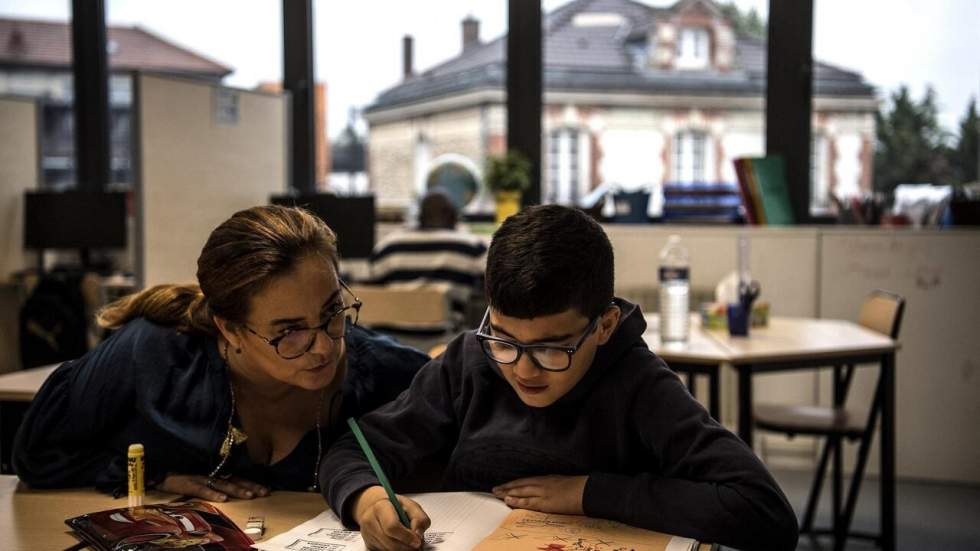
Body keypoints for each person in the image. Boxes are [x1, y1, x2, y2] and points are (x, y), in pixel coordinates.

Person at [321, 205, 799, 551]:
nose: (522, 369)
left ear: (605, 326)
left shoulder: (639, 385)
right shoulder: (471, 360)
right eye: (505, 339)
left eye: (552, 348)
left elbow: (764, 511)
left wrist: (589, 493)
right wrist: (367, 501)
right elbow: (353, 448)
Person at [13, 205, 429, 501]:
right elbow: (38, 455)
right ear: (228, 328)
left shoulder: (383, 371)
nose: (324, 346)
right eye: (289, 332)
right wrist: (158, 475)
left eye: (332, 312)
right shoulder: (154, 353)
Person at [369, 191, 487, 329]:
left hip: (393, 338)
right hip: (447, 341)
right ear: (453, 217)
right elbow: (494, 285)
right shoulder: (471, 246)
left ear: (419, 217)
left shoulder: (387, 247)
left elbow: (373, 293)